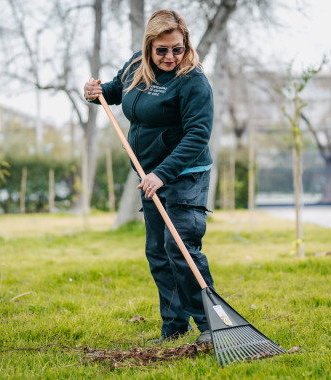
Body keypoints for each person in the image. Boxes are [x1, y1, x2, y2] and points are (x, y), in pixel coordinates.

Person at [84, 9, 214, 344]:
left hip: (185, 173)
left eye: (178, 49)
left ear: (186, 45)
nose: (171, 57)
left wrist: (163, 173)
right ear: (148, 48)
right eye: (162, 50)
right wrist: (95, 91)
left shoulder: (193, 81)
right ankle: (174, 328)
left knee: (180, 245)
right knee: (158, 250)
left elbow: (198, 135)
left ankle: (212, 326)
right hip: (148, 173)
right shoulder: (134, 68)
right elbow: (115, 92)